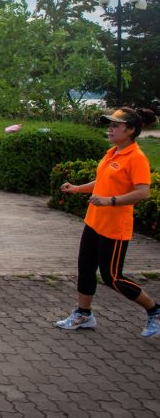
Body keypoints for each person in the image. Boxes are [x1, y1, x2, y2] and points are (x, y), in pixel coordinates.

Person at [56, 108, 159, 338]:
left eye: (115, 125)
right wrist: (77, 189)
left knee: (112, 277)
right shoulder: (113, 152)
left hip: (115, 227)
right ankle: (83, 314)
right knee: (85, 269)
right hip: (94, 221)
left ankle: (155, 310)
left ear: (130, 130)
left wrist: (110, 201)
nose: (110, 129)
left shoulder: (136, 158)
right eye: (109, 124)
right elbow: (102, 181)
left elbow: (143, 193)